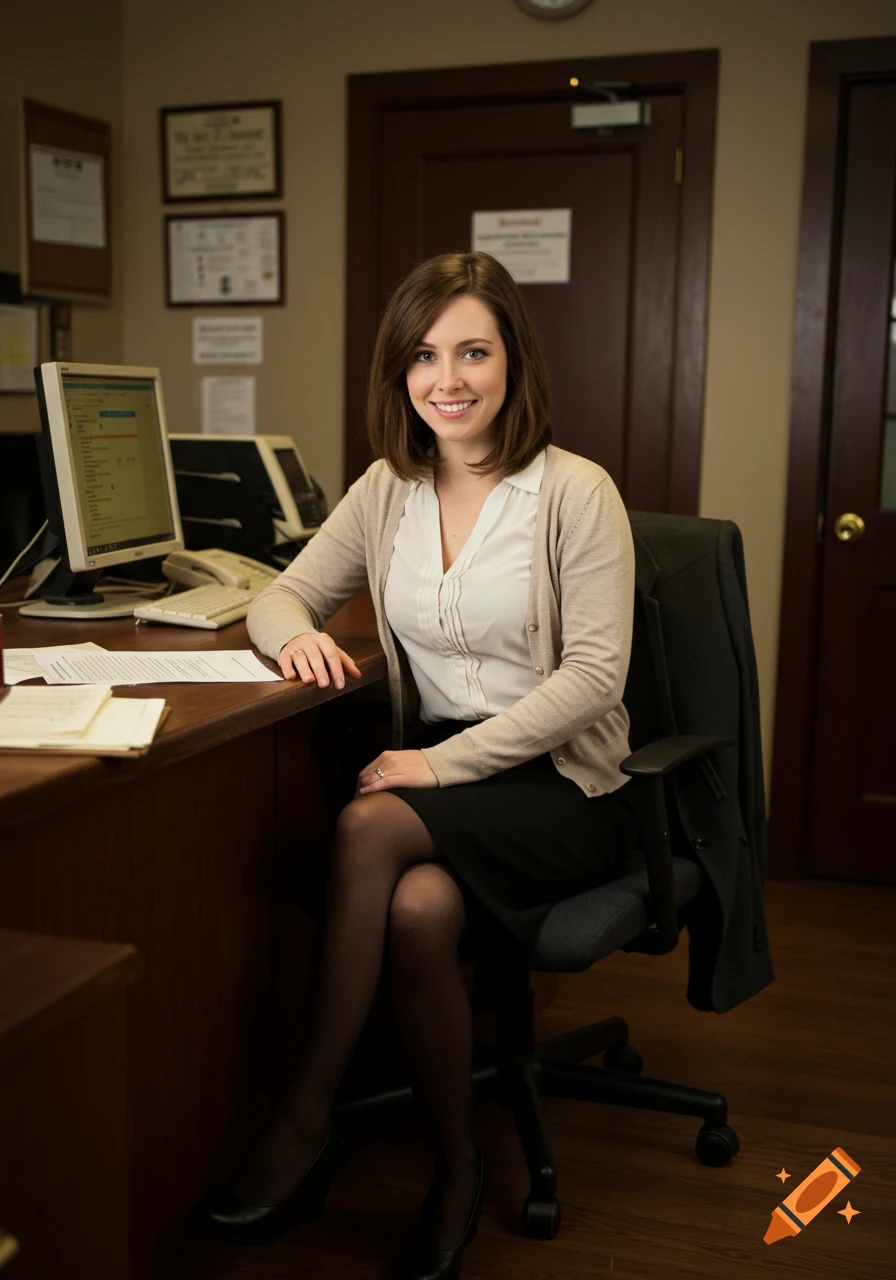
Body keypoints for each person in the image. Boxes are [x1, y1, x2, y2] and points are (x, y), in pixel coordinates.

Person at [199, 251, 639, 1279]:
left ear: (511, 361)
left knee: (365, 820)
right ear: (399, 371)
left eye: (472, 351)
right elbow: (277, 593)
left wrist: (444, 769)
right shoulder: (388, 487)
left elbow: (594, 679)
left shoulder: (576, 492)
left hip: (561, 782)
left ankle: (305, 1114)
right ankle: (456, 1172)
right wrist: (292, 637)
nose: (449, 378)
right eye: (424, 355)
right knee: (415, 912)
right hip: (437, 770)